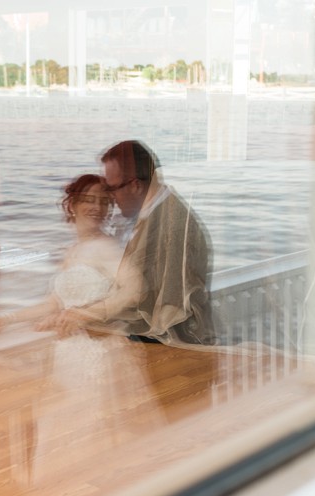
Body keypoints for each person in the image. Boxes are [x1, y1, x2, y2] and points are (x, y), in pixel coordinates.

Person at [39, 140, 217, 346]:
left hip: (172, 345)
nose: (110, 198)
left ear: (135, 185)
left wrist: (88, 314)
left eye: (112, 189)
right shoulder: (148, 216)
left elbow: (159, 303)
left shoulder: (172, 226)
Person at [0, 174, 124, 328]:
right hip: (71, 335)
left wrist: (86, 315)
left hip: (95, 337)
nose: (97, 208)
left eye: (104, 202)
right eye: (89, 200)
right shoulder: (72, 250)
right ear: (72, 205)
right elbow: (52, 304)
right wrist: (5, 319)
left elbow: (132, 292)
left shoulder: (107, 247)